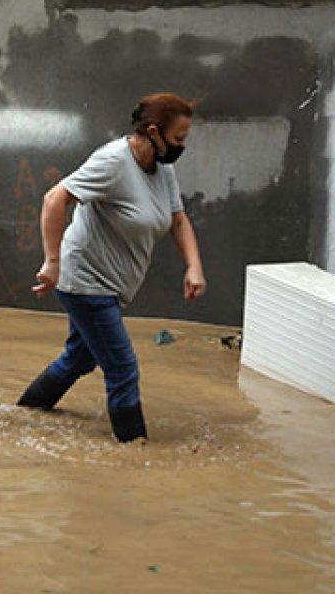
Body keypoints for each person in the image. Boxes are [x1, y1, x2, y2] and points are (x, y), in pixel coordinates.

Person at [17, 93, 207, 442]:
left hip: (111, 284)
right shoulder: (113, 162)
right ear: (153, 131)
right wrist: (52, 261)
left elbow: (178, 220)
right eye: (179, 138)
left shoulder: (163, 168)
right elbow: (54, 198)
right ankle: (134, 450)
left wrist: (194, 266)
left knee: (79, 359)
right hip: (86, 282)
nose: (182, 146)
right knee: (123, 370)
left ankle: (25, 414)